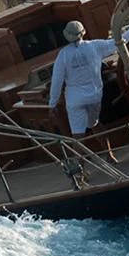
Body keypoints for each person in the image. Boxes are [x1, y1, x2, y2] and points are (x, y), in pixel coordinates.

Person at [48, 21, 116, 158]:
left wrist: (52, 104)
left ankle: (80, 167)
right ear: (83, 32)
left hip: (75, 100)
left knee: (78, 135)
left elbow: (57, 81)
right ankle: (110, 155)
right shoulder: (95, 46)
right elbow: (118, 42)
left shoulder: (63, 55)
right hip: (94, 97)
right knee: (95, 124)